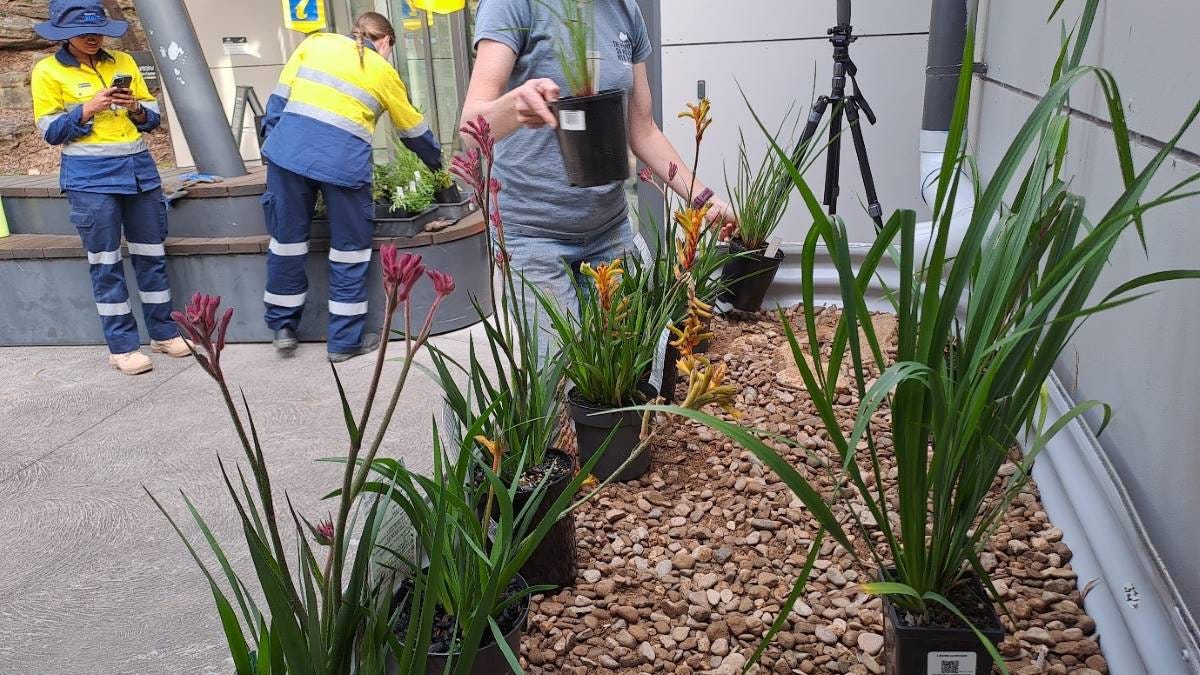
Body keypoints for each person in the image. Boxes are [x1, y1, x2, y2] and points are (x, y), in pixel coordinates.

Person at [462, 0, 737, 322]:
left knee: (624, 351)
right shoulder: (511, 4)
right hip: (532, 238)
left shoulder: (624, 9)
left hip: (610, 232)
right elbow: (470, 129)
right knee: (559, 355)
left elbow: (644, 131)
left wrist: (705, 200)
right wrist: (515, 106)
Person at [259, 12, 442, 362]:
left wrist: (276, 145)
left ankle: (283, 328)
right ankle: (343, 342)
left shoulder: (315, 43)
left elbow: (278, 102)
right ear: (385, 41)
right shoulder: (383, 71)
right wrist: (437, 165)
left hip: (287, 155)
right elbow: (412, 131)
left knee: (286, 243)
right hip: (343, 165)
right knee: (349, 251)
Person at [31, 0, 190, 376]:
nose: (92, 37)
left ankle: (164, 333)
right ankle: (122, 347)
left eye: (98, 31)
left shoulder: (124, 62)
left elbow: (152, 118)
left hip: (139, 173)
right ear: (64, 34)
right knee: (106, 264)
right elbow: (51, 131)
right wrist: (88, 109)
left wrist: (134, 107)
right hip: (90, 180)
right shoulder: (47, 71)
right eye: (83, 32)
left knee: (151, 256)